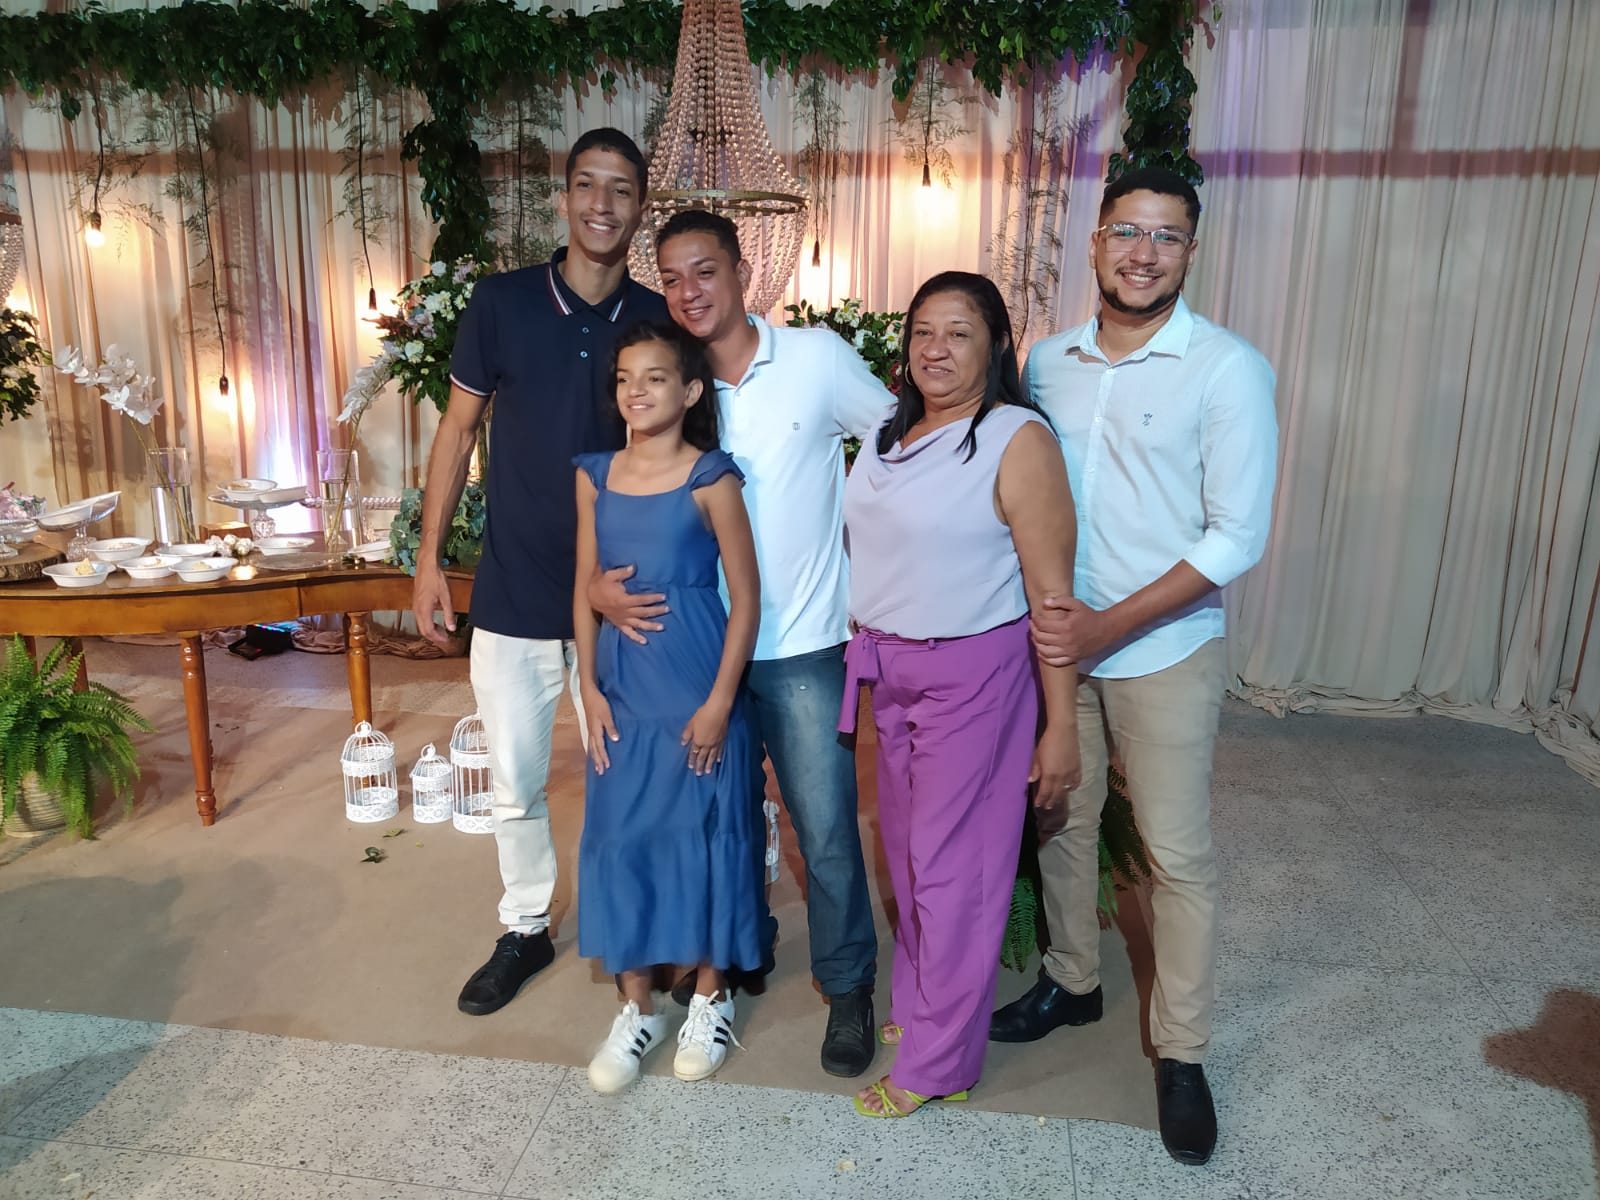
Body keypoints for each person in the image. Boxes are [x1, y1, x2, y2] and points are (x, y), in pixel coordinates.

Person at [990, 166, 1278, 1165]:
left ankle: (1182, 1051)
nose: (1142, 253)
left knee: (1173, 855)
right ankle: (1073, 981)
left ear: (1190, 252)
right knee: (1062, 820)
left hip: (1163, 648)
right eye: (1126, 231)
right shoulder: (1047, 362)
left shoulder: (1226, 369)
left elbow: (1236, 536)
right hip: (1056, 644)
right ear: (1096, 242)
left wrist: (1108, 628)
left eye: (1165, 236)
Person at [588, 209, 893, 1077]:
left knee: (821, 827)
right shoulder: (673, 383)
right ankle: (733, 952)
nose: (689, 292)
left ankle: (848, 986)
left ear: (742, 272)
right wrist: (598, 589)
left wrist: (874, 571)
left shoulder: (816, 360)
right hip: (688, 650)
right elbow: (625, 503)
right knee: (709, 816)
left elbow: (899, 448)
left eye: (705, 271)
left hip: (799, 642)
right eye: (672, 278)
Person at [411, 128, 669, 1017]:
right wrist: (429, 561)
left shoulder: (656, 317)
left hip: (622, 594)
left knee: (627, 775)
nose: (603, 203)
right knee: (516, 783)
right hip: (516, 590)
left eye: (622, 189)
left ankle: (634, 920)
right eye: (587, 185)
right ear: (563, 199)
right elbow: (457, 432)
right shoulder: (502, 302)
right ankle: (525, 927)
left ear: (640, 208)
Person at [838, 271, 1079, 1118]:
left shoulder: (1017, 438)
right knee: (907, 852)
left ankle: (940, 1063)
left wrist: (1060, 725)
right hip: (888, 670)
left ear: (997, 346)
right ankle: (922, 1006)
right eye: (923, 332)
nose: (935, 349)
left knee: (955, 869)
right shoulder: (888, 433)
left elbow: (1052, 597)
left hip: (973, 673)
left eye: (959, 333)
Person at [574, 321, 765, 1093]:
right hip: (621, 689)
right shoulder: (593, 476)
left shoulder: (711, 476)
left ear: (689, 392)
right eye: (624, 378)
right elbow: (583, 588)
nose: (636, 390)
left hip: (697, 680)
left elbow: (747, 598)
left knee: (707, 832)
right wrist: (587, 687)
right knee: (620, 835)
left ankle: (712, 997)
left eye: (654, 377)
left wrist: (721, 701)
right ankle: (637, 1009)